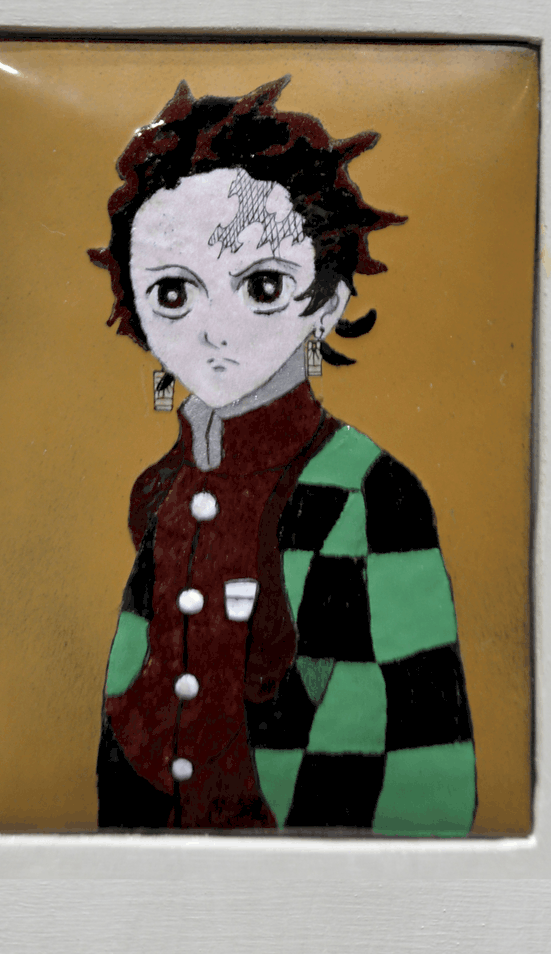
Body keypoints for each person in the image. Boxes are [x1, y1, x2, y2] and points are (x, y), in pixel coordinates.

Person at [88, 77, 476, 833]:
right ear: (135, 306)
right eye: (173, 294)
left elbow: (424, 728)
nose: (213, 329)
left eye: (262, 285)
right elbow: (131, 679)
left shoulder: (371, 490)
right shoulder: (164, 487)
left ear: (326, 302)